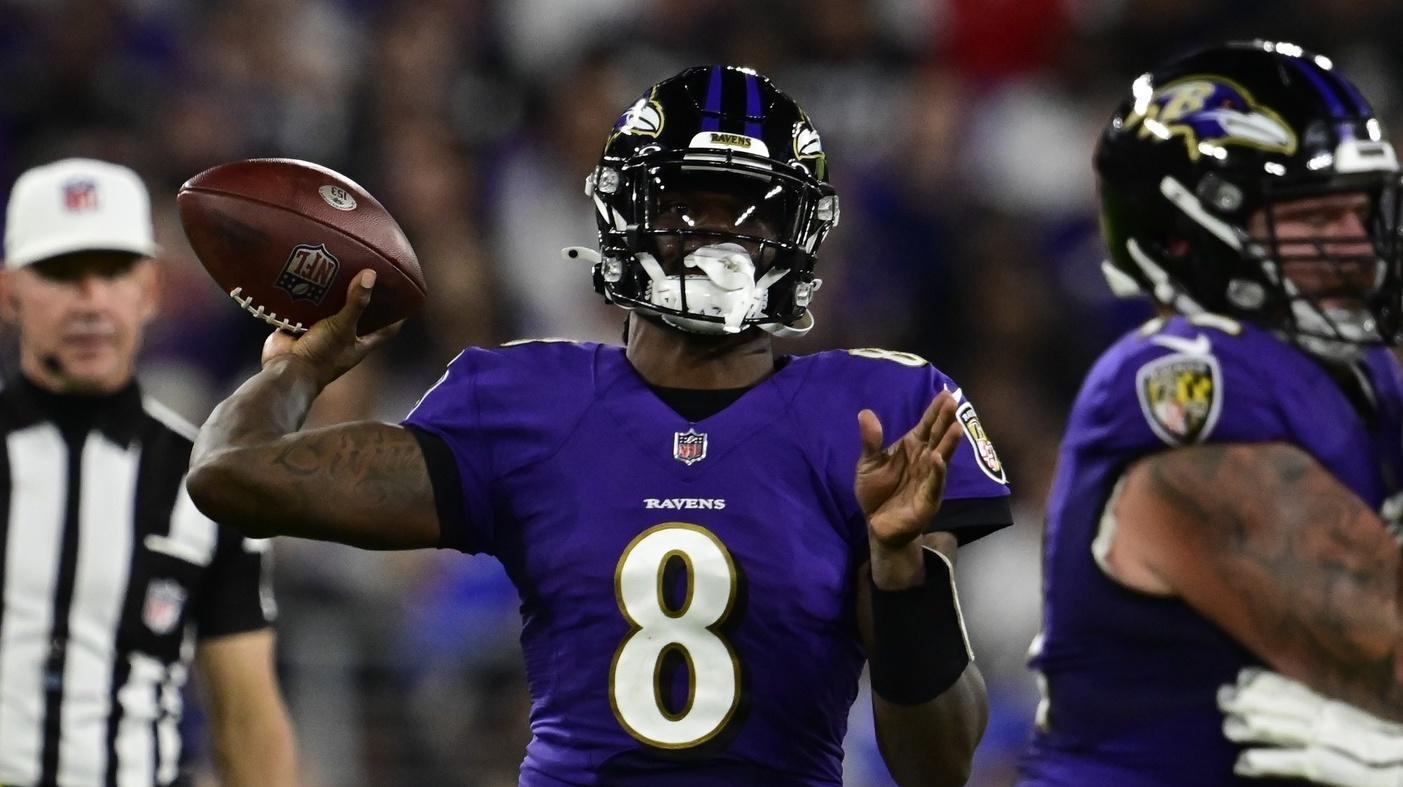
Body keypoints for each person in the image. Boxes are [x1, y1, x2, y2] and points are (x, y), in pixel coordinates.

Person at [186, 65, 1014, 785]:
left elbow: (936, 766)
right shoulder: (526, 403)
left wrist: (901, 572)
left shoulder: (876, 416)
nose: (717, 236)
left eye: (749, 214)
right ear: (624, 212)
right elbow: (231, 471)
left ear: (797, 235)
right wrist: (301, 365)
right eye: (689, 205)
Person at [1020, 40, 1403, 787]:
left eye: (1360, 212)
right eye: (1317, 219)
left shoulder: (1359, 373)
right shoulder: (1185, 380)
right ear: (1185, 236)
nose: (1358, 247)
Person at [0, 158, 298, 786]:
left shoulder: (210, 486)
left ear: (151, 289)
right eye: (60, 273)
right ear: (9, 294)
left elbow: (248, 722)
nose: (91, 301)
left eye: (112, 272)